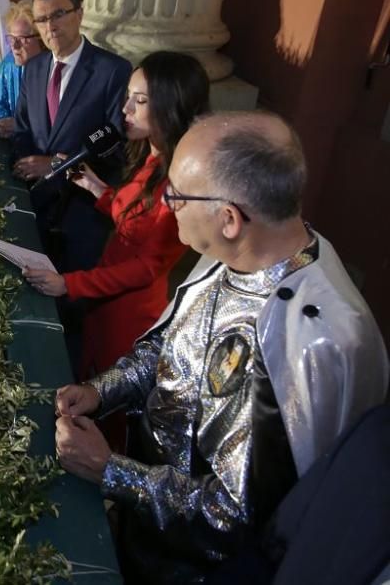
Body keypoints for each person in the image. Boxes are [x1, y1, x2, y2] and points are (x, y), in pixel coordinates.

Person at [53, 111, 390, 583]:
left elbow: (242, 517)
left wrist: (111, 471)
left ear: (229, 218)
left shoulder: (310, 341)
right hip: (145, 530)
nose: (166, 203)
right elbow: (171, 351)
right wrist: (103, 390)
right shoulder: (232, 254)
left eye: (176, 194)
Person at [24, 51, 209, 447]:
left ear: (170, 105)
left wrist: (67, 284)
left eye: (139, 101)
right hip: (104, 303)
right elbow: (132, 217)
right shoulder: (153, 157)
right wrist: (96, 188)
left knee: (107, 406)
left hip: (129, 313)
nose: (124, 109)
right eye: (128, 97)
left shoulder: (179, 180)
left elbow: (145, 266)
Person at [11, 0, 132, 273]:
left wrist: (56, 164)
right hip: (35, 206)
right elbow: (23, 127)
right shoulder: (34, 69)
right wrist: (22, 170)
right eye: (41, 19)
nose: (50, 26)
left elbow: (115, 141)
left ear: (79, 13)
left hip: (83, 214)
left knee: (73, 304)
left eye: (58, 15)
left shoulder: (113, 70)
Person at [0, 0, 44, 138]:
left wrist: (19, 125)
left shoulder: (54, 71)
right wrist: (1, 122)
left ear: (40, 38)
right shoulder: (8, 64)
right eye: (11, 38)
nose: (15, 46)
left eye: (22, 39)